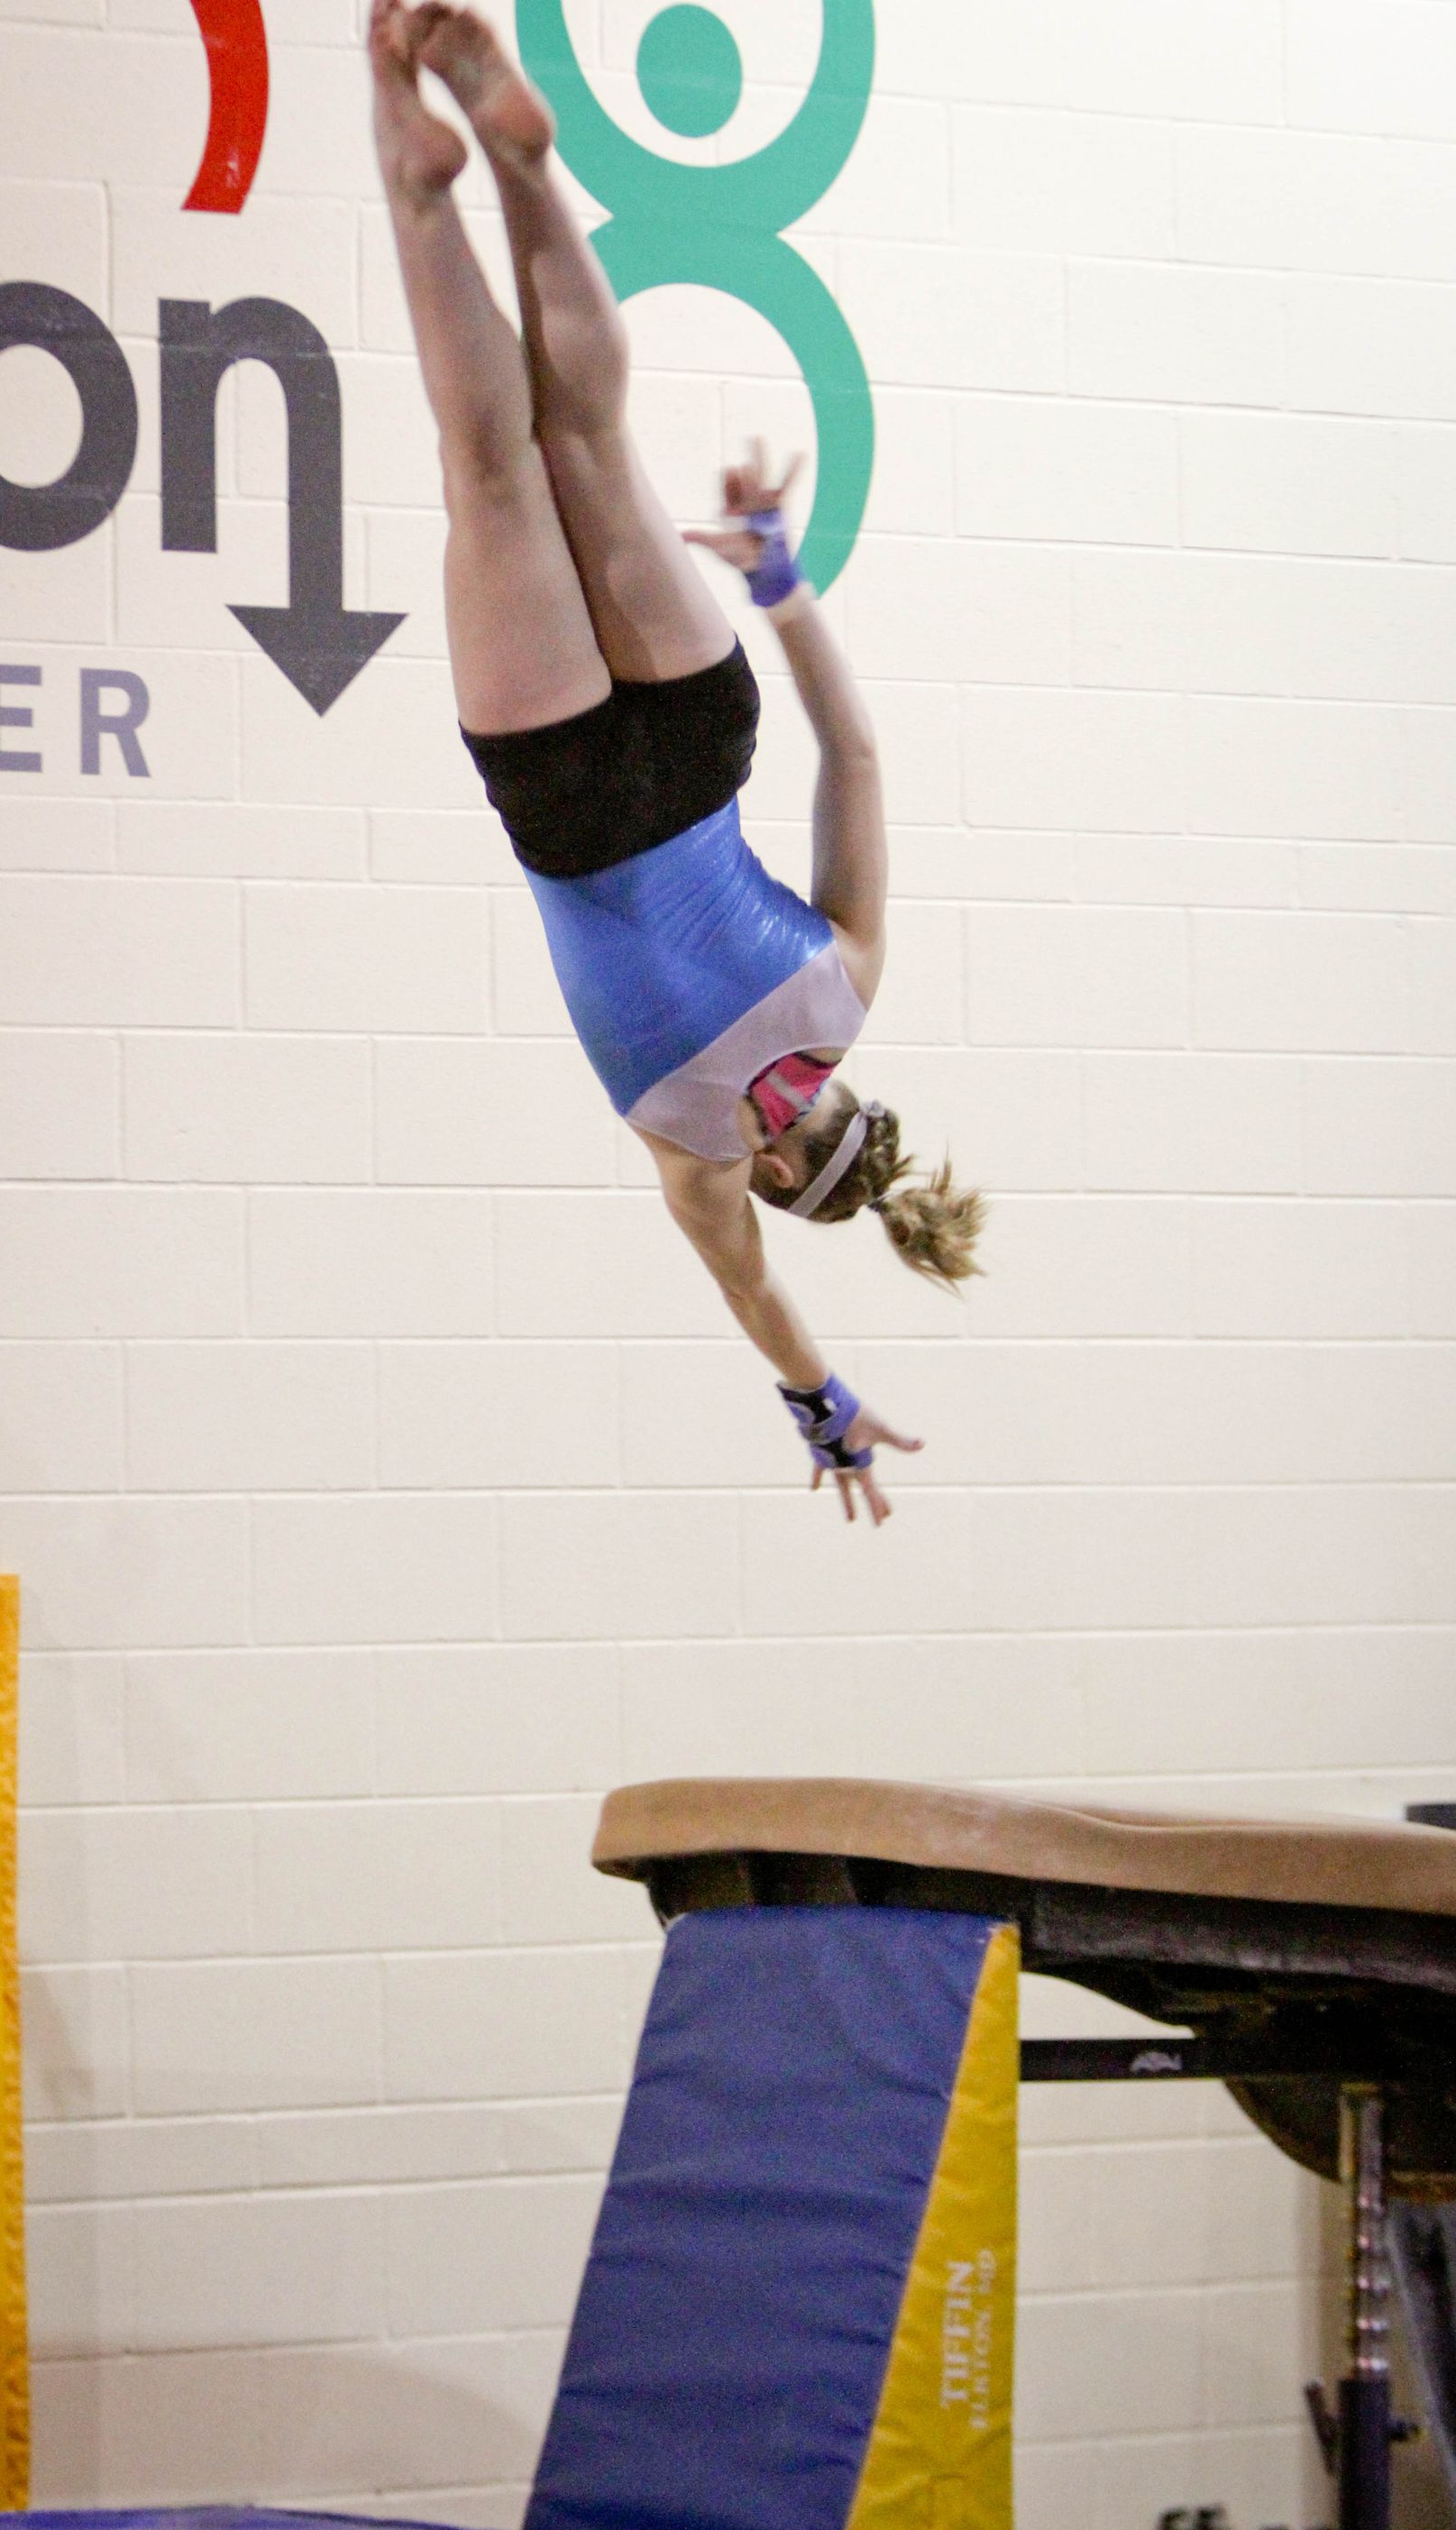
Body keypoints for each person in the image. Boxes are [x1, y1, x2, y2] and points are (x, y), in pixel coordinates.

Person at [370, 0, 985, 1524]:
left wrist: (780, 587)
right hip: (572, 803)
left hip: (705, 734)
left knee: (588, 436)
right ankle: (416, 161)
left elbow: (854, 752)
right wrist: (819, 1402)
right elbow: (757, 1303)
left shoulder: (850, 981)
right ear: (791, 1175)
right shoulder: (706, 1164)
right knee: (488, 469)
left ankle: (523, 166)